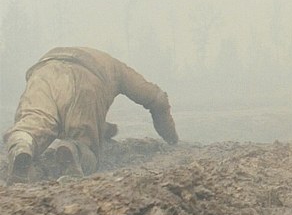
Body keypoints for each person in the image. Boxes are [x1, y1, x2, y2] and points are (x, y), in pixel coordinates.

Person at [3, 47, 178, 184]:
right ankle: (74, 151)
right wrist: (171, 137)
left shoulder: (70, 56)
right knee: (86, 146)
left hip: (43, 72)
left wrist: (106, 130)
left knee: (32, 124)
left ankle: (22, 147)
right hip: (86, 78)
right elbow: (157, 99)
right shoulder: (116, 68)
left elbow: (96, 124)